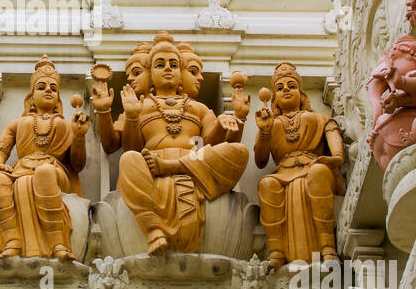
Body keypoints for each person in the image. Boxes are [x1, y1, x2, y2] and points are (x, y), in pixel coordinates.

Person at [117, 33, 249, 255]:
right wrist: (131, 116)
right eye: (160, 65)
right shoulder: (142, 105)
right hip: (152, 165)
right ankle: (153, 229)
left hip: (193, 162)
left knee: (240, 151)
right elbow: (131, 147)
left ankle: (172, 167)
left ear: (180, 74)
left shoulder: (198, 108)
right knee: (128, 160)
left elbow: (211, 142)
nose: (168, 68)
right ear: (150, 74)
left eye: (174, 64)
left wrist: (229, 122)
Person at [0, 57, 87, 260]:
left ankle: (58, 243)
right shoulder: (17, 124)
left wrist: (80, 136)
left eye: (53, 88)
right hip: (21, 170)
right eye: (41, 87)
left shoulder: (66, 124)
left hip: (54, 171)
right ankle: (13, 240)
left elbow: (77, 164)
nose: (48, 90)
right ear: (31, 96)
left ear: (58, 99)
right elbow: (0, 152)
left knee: (44, 173)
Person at [255, 62, 345, 267]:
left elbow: (337, 151)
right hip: (283, 171)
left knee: (318, 172)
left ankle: (328, 247)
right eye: (279, 88)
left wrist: (335, 159)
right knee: (266, 184)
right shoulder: (272, 122)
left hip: (314, 166)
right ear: (274, 98)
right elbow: (260, 161)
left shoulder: (320, 118)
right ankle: (277, 252)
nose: (286, 89)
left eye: (291, 85)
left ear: (301, 93)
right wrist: (265, 131)